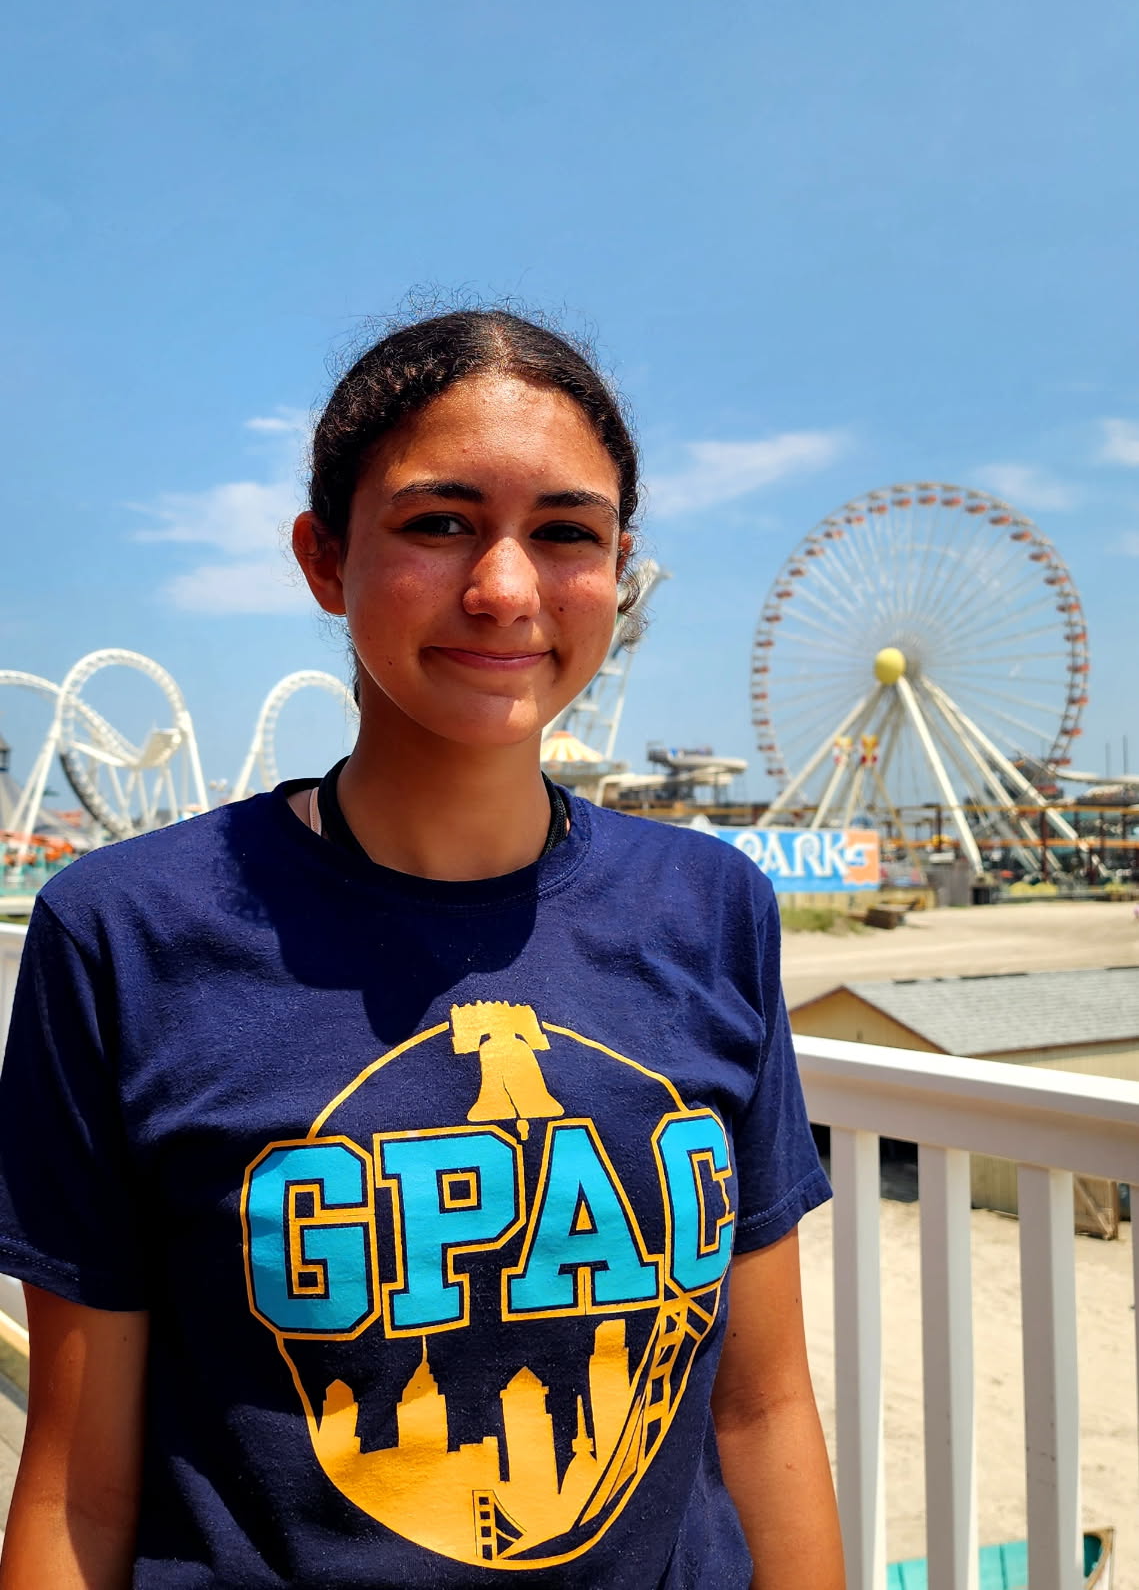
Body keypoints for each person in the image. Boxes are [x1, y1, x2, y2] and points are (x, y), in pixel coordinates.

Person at [0, 309, 844, 1588]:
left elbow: (761, 1408)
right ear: (323, 559)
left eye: (566, 532)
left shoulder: (709, 907)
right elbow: (78, 1479)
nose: (504, 588)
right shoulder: (123, 936)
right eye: (438, 522)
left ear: (618, 571)